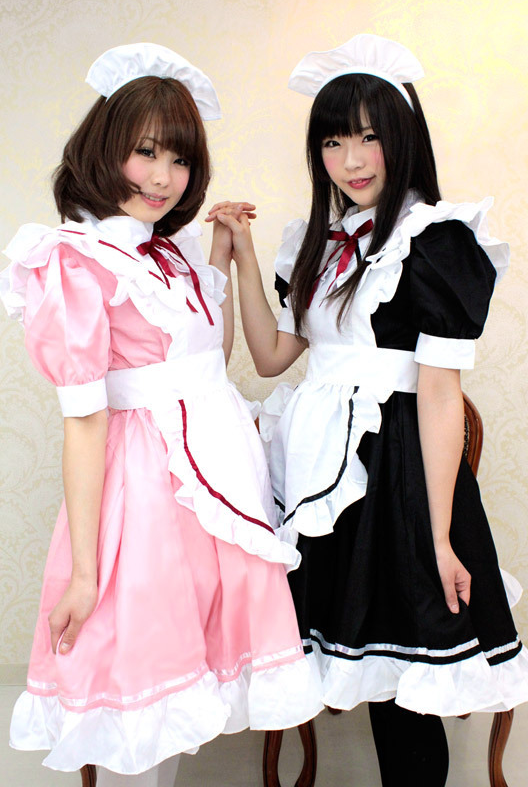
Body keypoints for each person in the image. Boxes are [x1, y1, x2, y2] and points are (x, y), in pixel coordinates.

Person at [208, 33, 528, 786]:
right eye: (332, 141)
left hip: (396, 478)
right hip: (315, 472)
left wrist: (440, 536)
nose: (350, 160)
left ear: (402, 139)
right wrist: (244, 253)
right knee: (317, 663)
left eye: (367, 136)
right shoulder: (320, 243)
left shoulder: (437, 240)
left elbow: (440, 395)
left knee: (404, 688)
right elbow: (272, 356)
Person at [0, 43, 323, 785]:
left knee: (180, 691)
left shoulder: (168, 256)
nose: (162, 176)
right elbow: (85, 422)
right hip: (144, 495)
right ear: (104, 146)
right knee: (140, 694)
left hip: (213, 485)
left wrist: (222, 251)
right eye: (145, 152)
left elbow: (207, 361)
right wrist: (86, 571)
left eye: (179, 159)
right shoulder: (76, 261)